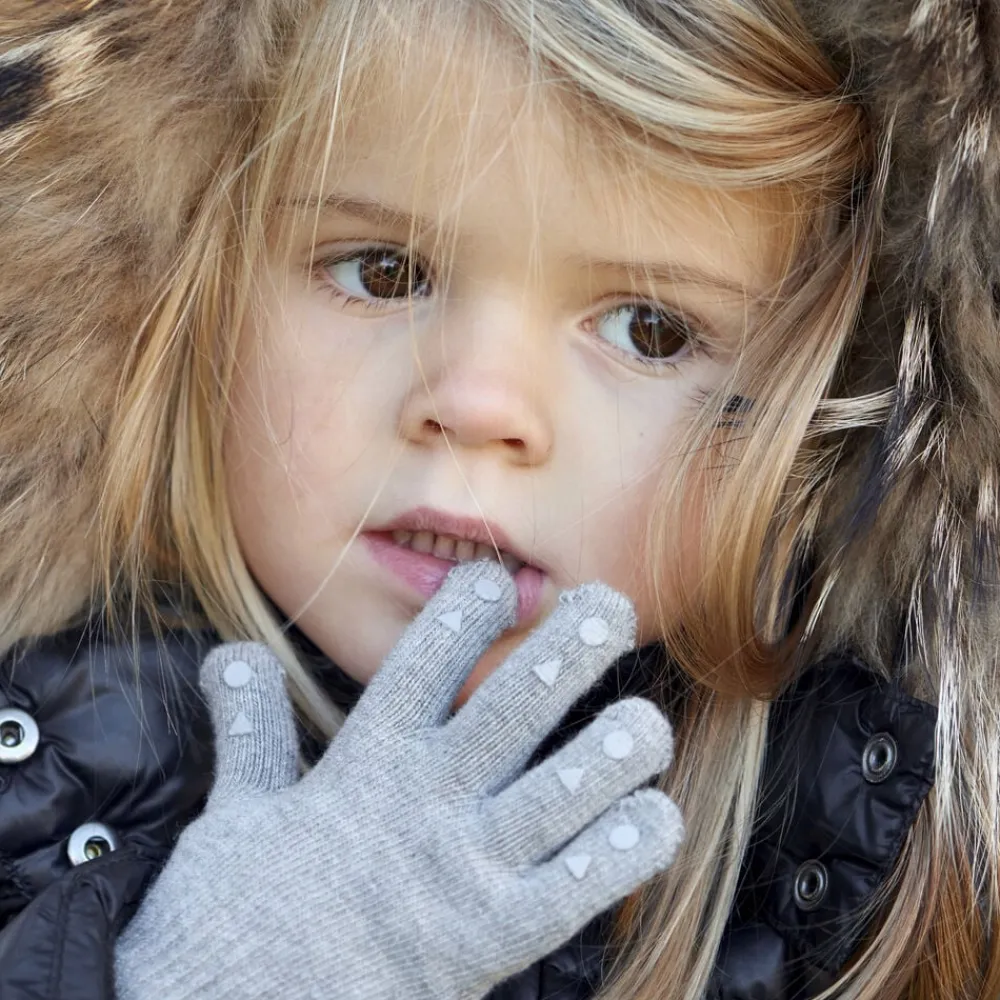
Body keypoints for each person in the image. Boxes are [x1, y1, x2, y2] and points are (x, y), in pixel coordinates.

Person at [0, 0, 995, 997]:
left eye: (648, 330)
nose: (477, 406)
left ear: (821, 424)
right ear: (179, 284)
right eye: (384, 272)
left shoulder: (879, 895)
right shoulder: (30, 789)